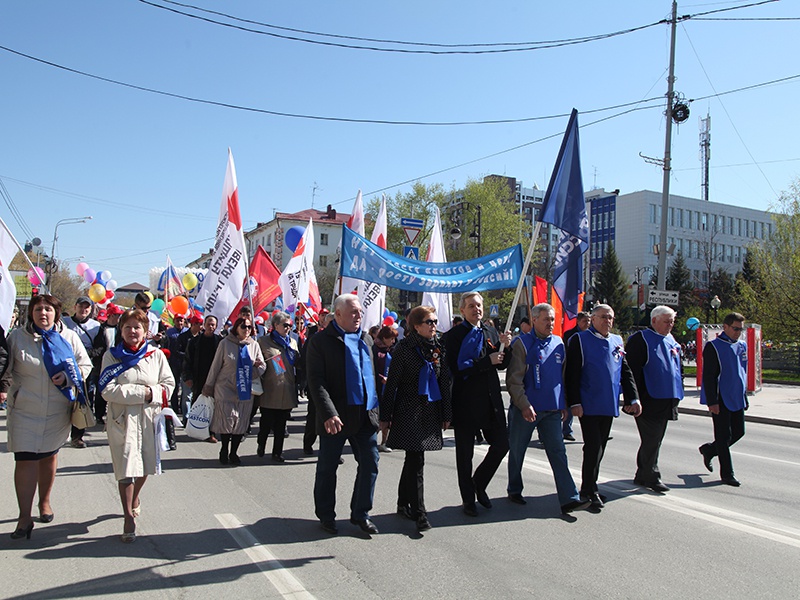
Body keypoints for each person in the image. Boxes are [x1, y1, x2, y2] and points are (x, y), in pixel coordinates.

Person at [3, 295, 92, 540]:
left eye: (48, 309)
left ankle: (45, 502)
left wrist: (66, 376)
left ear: (56, 313)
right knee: (25, 460)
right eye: (38, 309)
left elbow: (85, 366)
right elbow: (6, 367)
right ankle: (24, 517)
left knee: (48, 456)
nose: (43, 313)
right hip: (24, 410)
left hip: (56, 410)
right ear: (31, 313)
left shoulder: (69, 337)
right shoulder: (17, 338)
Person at [98, 308, 175, 543]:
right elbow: (107, 390)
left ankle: (135, 498)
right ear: (121, 330)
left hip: (148, 418)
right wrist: (143, 393)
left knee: (144, 466)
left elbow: (169, 384)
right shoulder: (112, 356)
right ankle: (128, 517)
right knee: (125, 468)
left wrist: (154, 393)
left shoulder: (155, 355)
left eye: (137, 327)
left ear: (145, 331)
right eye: (128, 327)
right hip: (122, 419)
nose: (133, 331)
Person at [306, 294, 381, 535]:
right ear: (337, 315)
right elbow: (316, 382)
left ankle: (361, 513)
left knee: (370, 463)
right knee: (328, 468)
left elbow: (371, 377)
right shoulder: (320, 342)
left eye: (359, 311)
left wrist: (378, 412)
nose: (358, 315)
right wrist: (328, 413)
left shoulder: (367, 339)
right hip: (335, 418)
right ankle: (326, 514)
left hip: (364, 416)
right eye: (352, 312)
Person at [506, 303, 591, 515]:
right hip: (525, 410)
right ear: (534, 320)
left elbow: (561, 378)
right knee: (517, 451)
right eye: (546, 319)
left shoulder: (559, 343)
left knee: (558, 453)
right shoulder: (521, 344)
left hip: (552, 411)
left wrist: (563, 404)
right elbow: (514, 381)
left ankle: (569, 498)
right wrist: (524, 405)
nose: (550, 324)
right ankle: (514, 488)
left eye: (553, 319)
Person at [381, 306, 451, 531]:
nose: (433, 326)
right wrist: (385, 416)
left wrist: (447, 414)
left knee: (412, 460)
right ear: (417, 326)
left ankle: (403, 503)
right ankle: (420, 513)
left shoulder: (438, 347)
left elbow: (444, 383)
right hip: (408, 410)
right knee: (417, 460)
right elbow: (392, 384)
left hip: (430, 410)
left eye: (435, 321)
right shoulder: (404, 349)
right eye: (429, 322)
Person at [564, 304, 640, 511]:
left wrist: (633, 398)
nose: (608, 321)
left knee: (601, 447)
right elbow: (572, 374)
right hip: (588, 403)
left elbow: (625, 371)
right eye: (604, 317)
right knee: (593, 446)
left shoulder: (616, 341)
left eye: (611, 318)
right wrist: (574, 402)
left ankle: (591, 485)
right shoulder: (579, 340)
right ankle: (588, 489)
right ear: (593, 319)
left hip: (608, 402)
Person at [443, 291, 511, 517]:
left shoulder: (490, 331)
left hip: (491, 400)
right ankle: (468, 499)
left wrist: (506, 348)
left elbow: (500, 365)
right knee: (465, 455)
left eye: (479, 305)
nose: (476, 309)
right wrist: (485, 362)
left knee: (502, 443)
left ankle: (478, 482)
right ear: (462, 310)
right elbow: (455, 369)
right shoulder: (453, 336)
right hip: (465, 402)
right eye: (471, 306)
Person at [625, 305, 683, 493]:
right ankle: (651, 474)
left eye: (672, 321)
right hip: (648, 398)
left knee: (655, 439)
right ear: (654, 321)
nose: (670, 325)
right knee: (652, 438)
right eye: (666, 321)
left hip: (668, 398)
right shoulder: (640, 340)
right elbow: (631, 371)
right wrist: (632, 399)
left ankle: (642, 473)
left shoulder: (671, 340)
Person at [203, 316, 266, 465]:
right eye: (244, 327)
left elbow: (263, 366)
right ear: (236, 328)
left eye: (249, 327)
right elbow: (216, 365)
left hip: (244, 389)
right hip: (226, 387)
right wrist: (209, 385)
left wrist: (256, 368)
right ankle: (224, 449)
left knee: (240, 421)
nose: (247, 330)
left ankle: (234, 452)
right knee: (227, 420)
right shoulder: (225, 344)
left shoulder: (254, 345)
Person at [698, 312, 748, 486]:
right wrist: (712, 401)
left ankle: (709, 449)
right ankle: (727, 474)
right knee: (723, 435)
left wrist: (744, 396)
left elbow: (742, 373)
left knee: (739, 432)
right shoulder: (713, 346)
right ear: (725, 327)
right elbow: (709, 376)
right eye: (735, 328)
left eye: (740, 329)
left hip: (737, 396)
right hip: (721, 397)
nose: (738, 332)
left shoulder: (742, 345)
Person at [256, 311, 299, 462]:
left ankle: (277, 452)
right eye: (285, 325)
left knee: (281, 424)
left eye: (290, 325)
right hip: (270, 388)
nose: (288, 328)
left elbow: (296, 363)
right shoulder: (263, 341)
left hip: (287, 388)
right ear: (275, 325)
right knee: (267, 422)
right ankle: (261, 443)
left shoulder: (292, 342)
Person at [62, 296, 101, 448]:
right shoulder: (65, 324)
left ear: (90, 310)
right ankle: (59, 434)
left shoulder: (96, 326)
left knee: (83, 401)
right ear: (75, 307)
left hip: (85, 368)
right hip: (65, 366)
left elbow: (100, 348)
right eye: (81, 306)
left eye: (87, 307)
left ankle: (77, 436)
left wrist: (86, 354)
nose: (83, 310)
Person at [183, 315, 222, 442]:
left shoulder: (220, 342)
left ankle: (211, 432)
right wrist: (187, 377)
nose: (211, 327)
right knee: (199, 404)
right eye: (209, 324)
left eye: (213, 325)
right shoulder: (194, 342)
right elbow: (187, 361)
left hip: (216, 379)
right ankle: (196, 428)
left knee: (214, 406)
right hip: (198, 377)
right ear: (204, 325)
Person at [92, 303, 124, 424]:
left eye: (119, 316)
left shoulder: (121, 330)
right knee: (101, 389)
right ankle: (99, 414)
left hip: (118, 363)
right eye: (116, 315)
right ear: (110, 316)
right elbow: (98, 345)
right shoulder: (101, 329)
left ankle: (115, 413)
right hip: (102, 363)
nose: (117, 318)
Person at [561, 311, 590, 442]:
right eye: (585, 321)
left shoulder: (592, 335)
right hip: (572, 372)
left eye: (589, 321)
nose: (587, 323)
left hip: (587, 374)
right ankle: (566, 430)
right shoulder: (570, 335)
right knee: (572, 402)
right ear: (578, 321)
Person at [372, 325, 398, 453]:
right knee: (377, 417)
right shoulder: (374, 350)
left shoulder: (390, 351)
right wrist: (381, 377)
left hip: (388, 389)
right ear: (384, 337)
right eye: (391, 339)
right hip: (378, 388)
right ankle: (370, 439)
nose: (393, 342)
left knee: (387, 416)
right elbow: (371, 369)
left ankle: (384, 441)